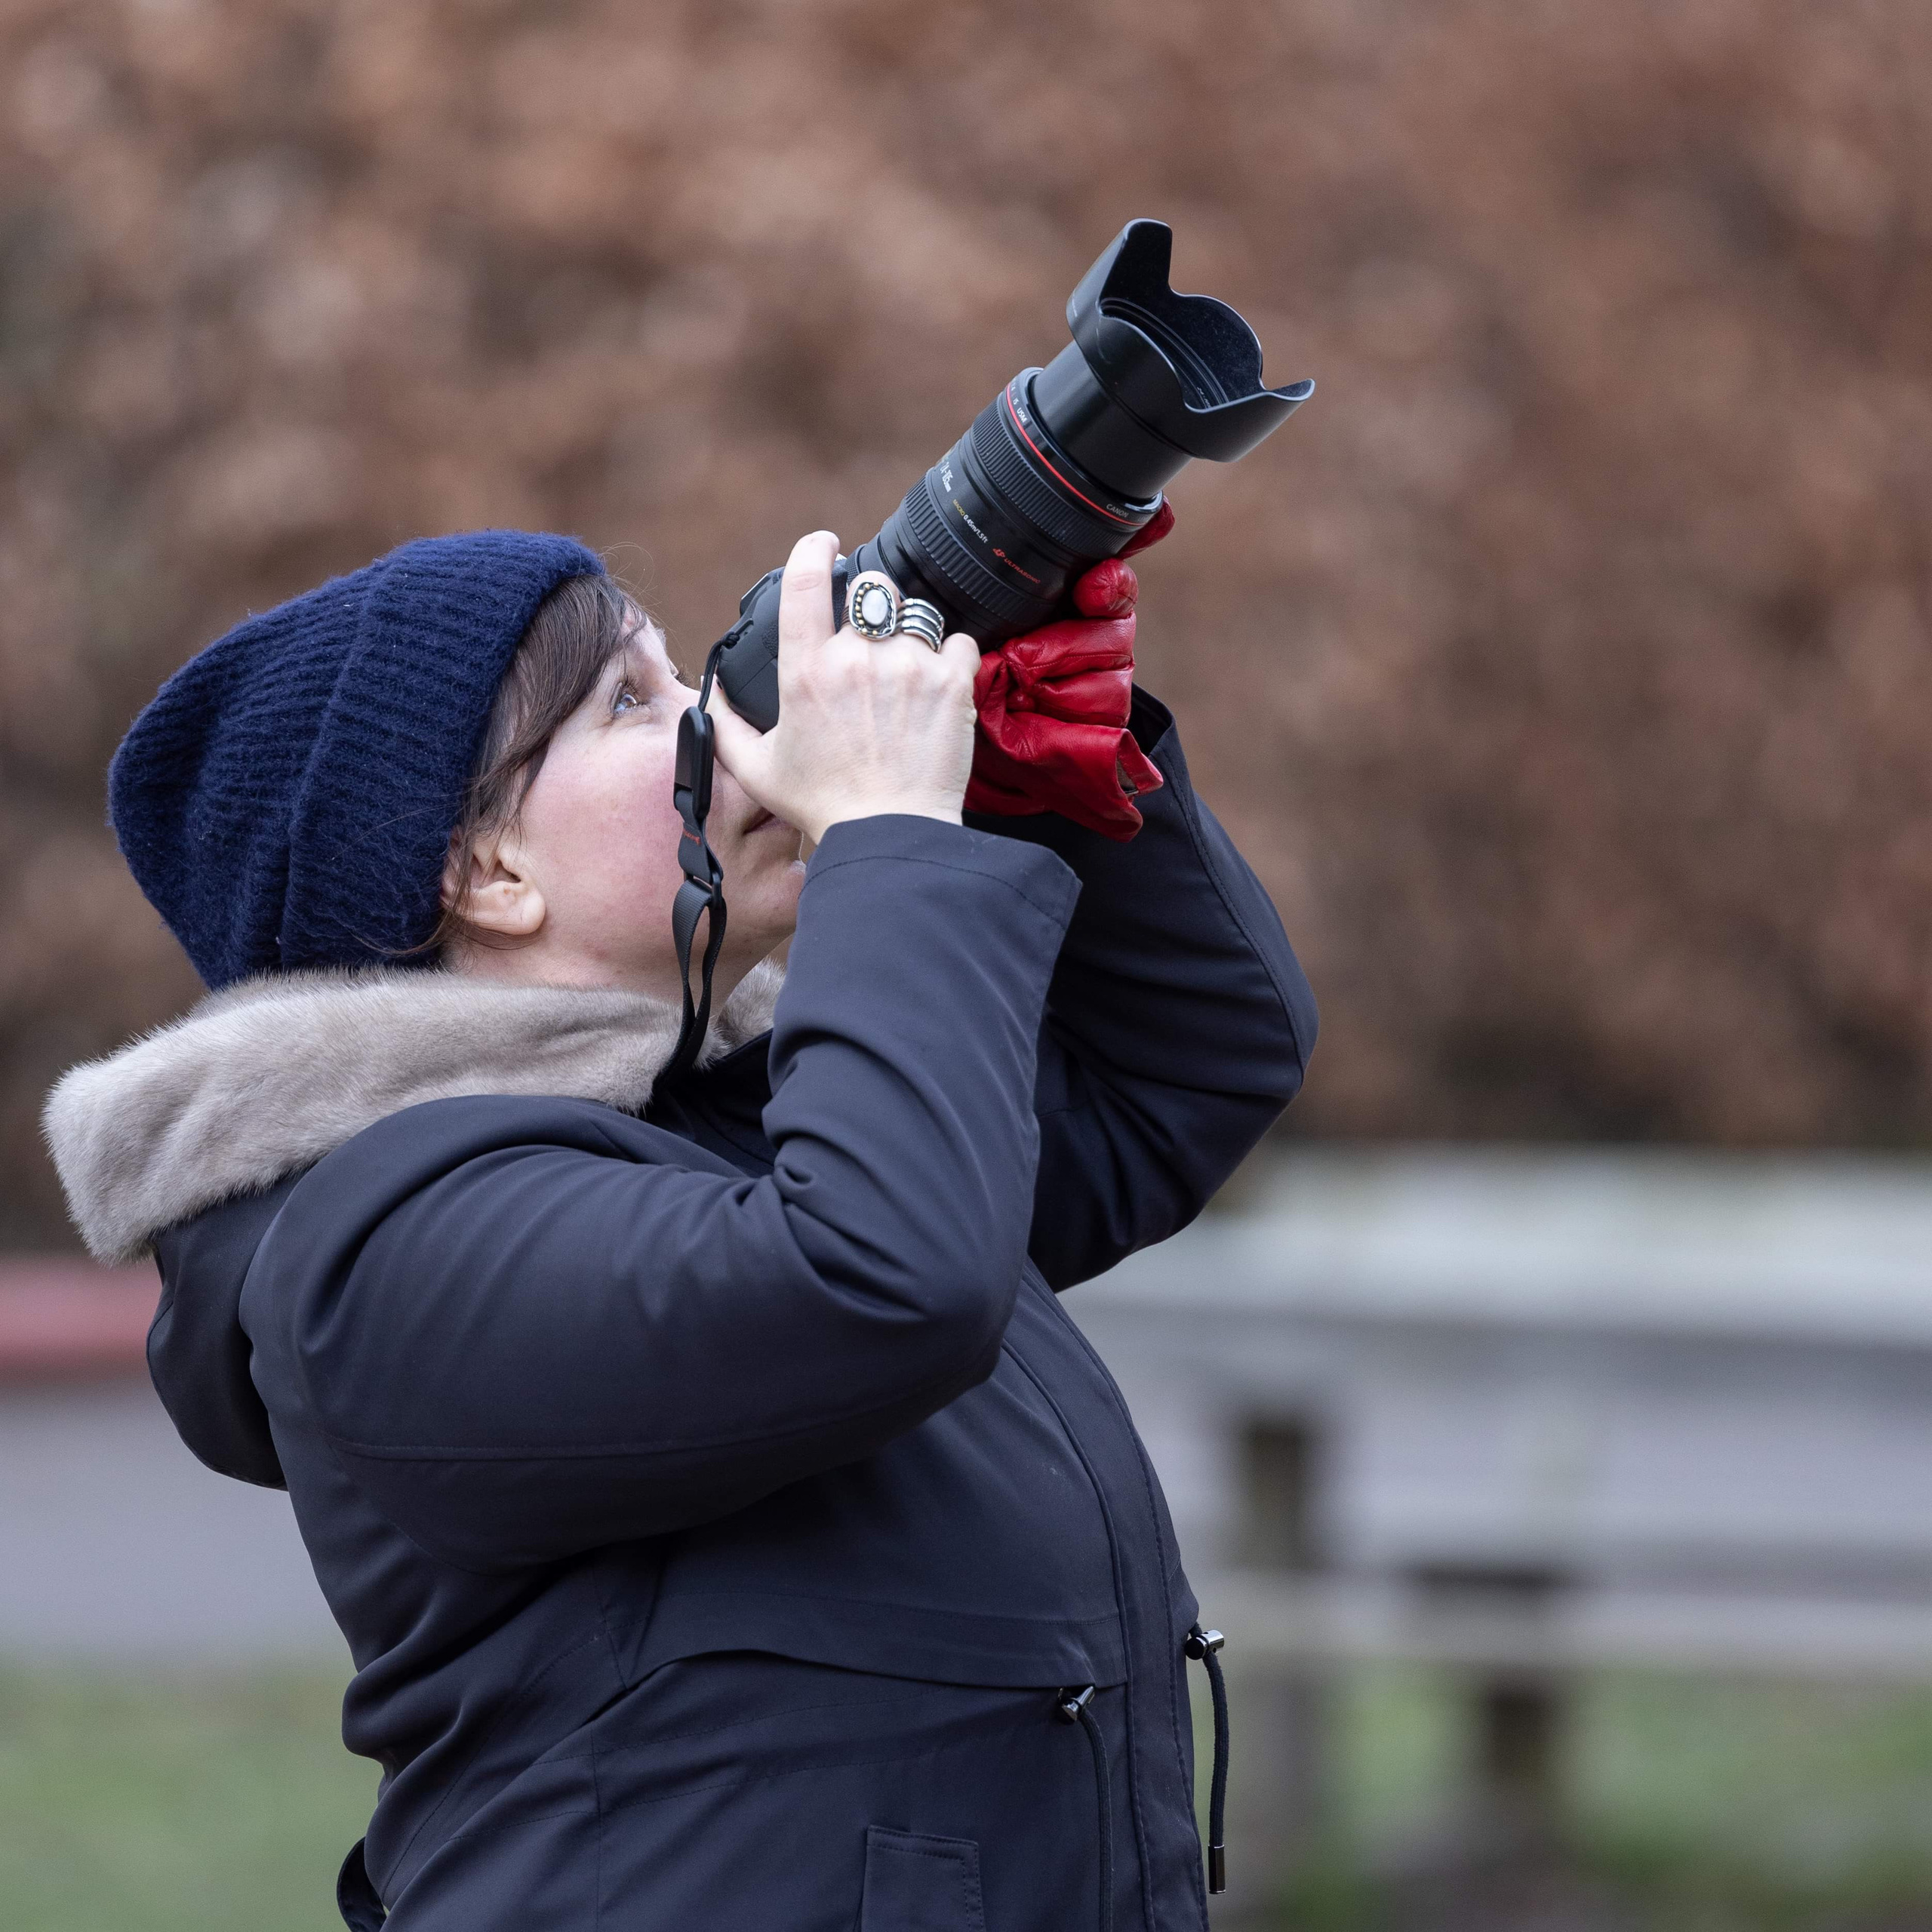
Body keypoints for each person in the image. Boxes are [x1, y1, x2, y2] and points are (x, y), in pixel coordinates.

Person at [45, 521, 1315, 1932]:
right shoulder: (384, 1247)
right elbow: (881, 1281)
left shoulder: (733, 1109)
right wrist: (887, 839)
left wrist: (1051, 795)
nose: (724, 722)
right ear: (484, 874)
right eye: (635, 705)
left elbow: (1176, 1080)